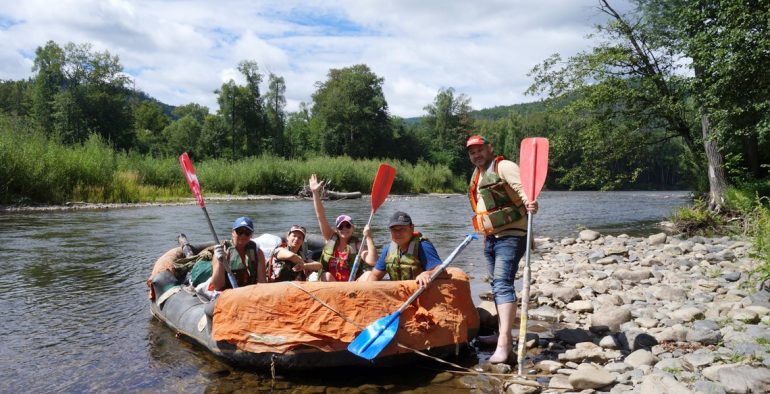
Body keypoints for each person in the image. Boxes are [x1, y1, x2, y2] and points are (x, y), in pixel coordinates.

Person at [466, 135, 538, 364]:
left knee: (503, 283)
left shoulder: (504, 166)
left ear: (489, 148)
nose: (476, 155)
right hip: (491, 238)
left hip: (512, 235)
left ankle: (505, 343)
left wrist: (530, 202)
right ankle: (499, 333)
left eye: (479, 150)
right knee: (497, 286)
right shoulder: (477, 175)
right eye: (472, 152)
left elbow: (522, 188)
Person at [309, 174, 374, 281]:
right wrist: (315, 193)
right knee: (327, 276)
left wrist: (369, 238)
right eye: (341, 226)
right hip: (333, 286)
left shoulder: (358, 245)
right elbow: (320, 216)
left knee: (368, 274)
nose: (344, 228)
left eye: (348, 225)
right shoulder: (329, 237)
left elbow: (372, 261)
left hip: (351, 287)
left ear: (353, 228)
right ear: (337, 229)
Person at [365, 211, 445, 286]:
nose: (398, 233)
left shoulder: (423, 246)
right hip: (397, 293)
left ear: (412, 228)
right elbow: (375, 275)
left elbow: (441, 271)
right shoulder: (389, 249)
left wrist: (428, 274)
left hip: (418, 293)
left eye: (402, 229)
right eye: (394, 229)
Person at [207, 216, 266, 292]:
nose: (243, 235)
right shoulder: (223, 251)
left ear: (251, 235)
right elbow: (217, 286)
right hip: (229, 294)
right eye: (239, 231)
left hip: (250, 293)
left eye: (247, 232)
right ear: (232, 233)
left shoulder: (257, 252)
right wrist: (220, 263)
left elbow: (262, 283)